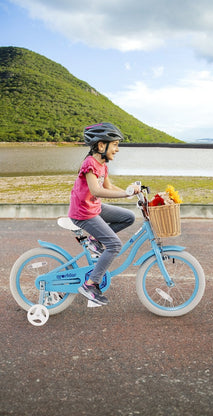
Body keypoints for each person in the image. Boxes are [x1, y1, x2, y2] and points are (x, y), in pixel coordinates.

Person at [68, 122, 140, 305]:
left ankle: (95, 241)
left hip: (94, 208)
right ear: (101, 145)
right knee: (115, 245)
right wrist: (125, 193)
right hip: (83, 213)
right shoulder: (90, 163)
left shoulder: (103, 164)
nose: (117, 149)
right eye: (115, 144)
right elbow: (96, 191)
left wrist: (130, 191)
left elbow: (108, 187)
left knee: (128, 217)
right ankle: (91, 284)